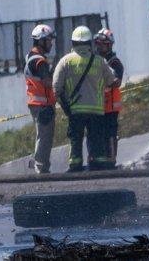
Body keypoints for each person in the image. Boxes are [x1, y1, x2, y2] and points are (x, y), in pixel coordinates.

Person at [52, 25, 120, 172]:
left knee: (76, 139)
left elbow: (56, 88)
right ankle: (98, 162)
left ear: (73, 43)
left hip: (75, 110)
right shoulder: (99, 61)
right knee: (96, 138)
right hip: (96, 110)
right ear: (90, 43)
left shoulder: (65, 61)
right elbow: (113, 82)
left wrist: (66, 107)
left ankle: (75, 163)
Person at [24, 24, 56, 174]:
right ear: (41, 41)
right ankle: (41, 167)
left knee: (42, 135)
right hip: (42, 104)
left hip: (37, 103)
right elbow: (47, 82)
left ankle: (41, 164)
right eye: (49, 40)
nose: (51, 43)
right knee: (45, 136)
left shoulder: (31, 56)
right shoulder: (39, 61)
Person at [95, 28, 123, 165]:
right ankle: (99, 159)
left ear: (109, 44)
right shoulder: (96, 60)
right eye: (98, 43)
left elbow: (116, 82)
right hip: (98, 105)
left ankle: (111, 160)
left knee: (110, 133)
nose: (99, 46)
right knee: (98, 133)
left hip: (111, 106)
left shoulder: (114, 62)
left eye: (102, 43)